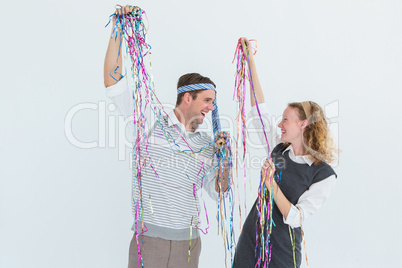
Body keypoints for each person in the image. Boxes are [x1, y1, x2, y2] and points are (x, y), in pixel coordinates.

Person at [104, 6, 229, 268]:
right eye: (207, 100)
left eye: (213, 102)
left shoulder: (207, 144)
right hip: (151, 241)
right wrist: (117, 27)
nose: (211, 107)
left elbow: (219, 192)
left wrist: (225, 161)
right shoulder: (148, 119)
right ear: (187, 97)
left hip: (190, 244)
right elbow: (114, 82)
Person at [233, 38, 338, 268]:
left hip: (281, 253)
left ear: (303, 124)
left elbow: (295, 218)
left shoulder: (323, 174)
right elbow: (258, 110)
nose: (279, 124)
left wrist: (271, 184)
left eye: (285, 120)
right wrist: (250, 60)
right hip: (250, 242)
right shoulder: (278, 147)